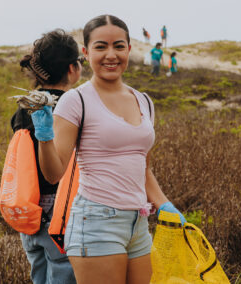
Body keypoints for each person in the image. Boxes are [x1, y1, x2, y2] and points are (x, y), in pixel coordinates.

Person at [30, 15, 187, 284]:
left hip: (138, 224)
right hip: (95, 223)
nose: (110, 55)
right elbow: (54, 173)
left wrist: (164, 205)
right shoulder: (75, 100)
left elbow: (143, 168)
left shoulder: (144, 101)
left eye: (119, 46)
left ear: (129, 49)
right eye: (101, 47)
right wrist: (44, 137)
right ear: (86, 53)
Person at [11, 29, 82, 284]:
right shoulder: (73, 107)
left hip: (29, 210)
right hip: (62, 213)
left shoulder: (24, 108)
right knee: (63, 274)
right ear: (73, 69)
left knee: (39, 274)